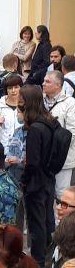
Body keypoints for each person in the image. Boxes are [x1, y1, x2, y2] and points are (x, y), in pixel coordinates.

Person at [20, 84, 60, 268]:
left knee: (37, 224)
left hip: (36, 183)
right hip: (48, 179)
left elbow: (33, 162)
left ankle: (38, 264)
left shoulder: (35, 129)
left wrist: (24, 179)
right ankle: (47, 258)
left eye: (22, 100)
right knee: (46, 220)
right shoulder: (50, 121)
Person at [43, 68, 75, 197]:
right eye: (44, 81)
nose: (43, 84)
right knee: (45, 193)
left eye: (47, 82)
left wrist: (57, 150)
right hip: (43, 156)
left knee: (61, 193)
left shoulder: (70, 103)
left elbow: (72, 132)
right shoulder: (40, 101)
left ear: (58, 85)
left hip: (63, 158)